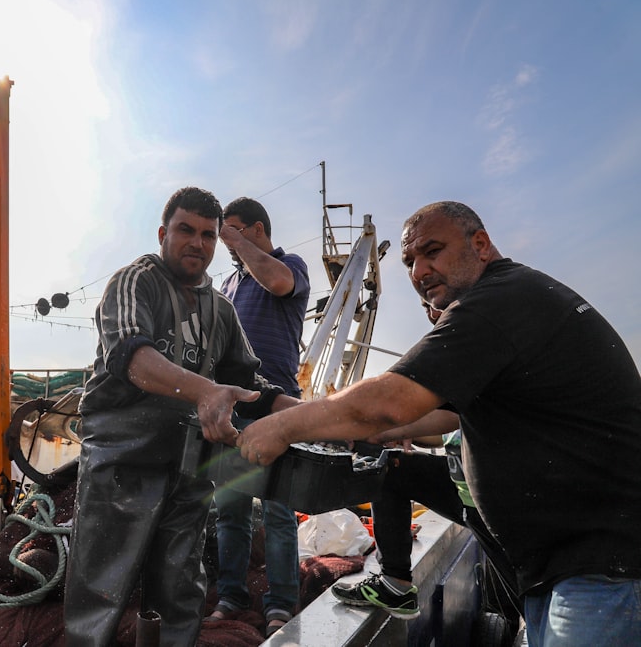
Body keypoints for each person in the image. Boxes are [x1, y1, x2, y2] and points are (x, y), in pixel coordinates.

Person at [236, 201, 641, 644]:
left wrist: (280, 427)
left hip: (602, 568)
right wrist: (379, 430)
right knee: (391, 468)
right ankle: (395, 582)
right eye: (410, 261)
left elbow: (392, 399)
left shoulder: (497, 301)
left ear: (481, 245)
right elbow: (438, 413)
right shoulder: (516, 300)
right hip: (561, 564)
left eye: (433, 251)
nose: (419, 271)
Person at [63, 187, 301, 647]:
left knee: (180, 589)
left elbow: (248, 387)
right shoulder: (135, 282)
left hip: (187, 464)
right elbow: (132, 356)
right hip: (120, 462)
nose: (197, 242)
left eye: (208, 235)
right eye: (185, 230)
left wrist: (312, 415)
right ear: (162, 233)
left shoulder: (221, 309)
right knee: (101, 591)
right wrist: (206, 391)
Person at [331, 301, 520, 626]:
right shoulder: (460, 359)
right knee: (390, 469)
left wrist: (381, 426)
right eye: (427, 305)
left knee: (531, 593)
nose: (433, 311)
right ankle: (395, 584)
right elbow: (449, 417)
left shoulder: (488, 341)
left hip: (505, 500)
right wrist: (391, 433)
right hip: (468, 493)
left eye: (441, 304)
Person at [208, 197, 309, 637]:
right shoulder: (229, 283)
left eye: (232, 230)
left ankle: (282, 603)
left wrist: (234, 241)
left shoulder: (290, 264)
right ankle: (231, 595)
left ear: (257, 229)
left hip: (279, 406)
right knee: (229, 509)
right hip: (234, 407)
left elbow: (278, 283)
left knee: (279, 511)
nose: (224, 240)